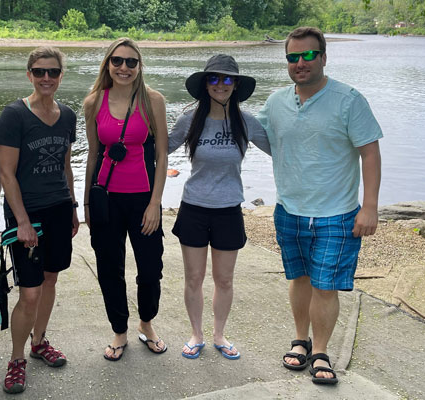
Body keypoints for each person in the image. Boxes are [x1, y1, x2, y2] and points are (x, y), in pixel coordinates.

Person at [257, 27, 382, 385]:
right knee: (299, 279)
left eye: (309, 55)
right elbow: (262, 137)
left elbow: (369, 151)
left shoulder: (349, 99)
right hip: (290, 209)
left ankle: (321, 350)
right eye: (293, 57)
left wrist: (369, 206)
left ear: (324, 57)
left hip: (338, 212)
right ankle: (300, 339)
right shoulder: (277, 101)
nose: (300, 63)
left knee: (325, 285)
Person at [168, 54, 271, 360]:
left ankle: (219, 335)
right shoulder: (189, 120)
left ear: (236, 85)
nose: (221, 84)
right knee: (194, 278)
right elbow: (160, 147)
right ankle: (196, 334)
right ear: (205, 84)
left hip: (228, 209)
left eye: (227, 79)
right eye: (214, 78)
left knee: (224, 279)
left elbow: (282, 149)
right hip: (194, 207)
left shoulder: (245, 121)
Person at [0, 46, 79, 394]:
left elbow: (64, 164)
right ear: (29, 74)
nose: (47, 78)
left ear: (61, 76)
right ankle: (16, 360)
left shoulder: (68, 115)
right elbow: (7, 174)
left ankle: (39, 341)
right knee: (28, 293)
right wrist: (23, 222)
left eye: (53, 72)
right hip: (26, 214)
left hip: (59, 209)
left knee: (50, 281)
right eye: (40, 72)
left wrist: (73, 206)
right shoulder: (14, 115)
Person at [82, 37, 169, 361]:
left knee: (150, 269)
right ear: (108, 64)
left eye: (131, 62)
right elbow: (93, 154)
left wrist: (155, 203)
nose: (124, 67)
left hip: (143, 198)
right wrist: (87, 202)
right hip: (106, 200)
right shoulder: (94, 102)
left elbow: (161, 155)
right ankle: (120, 329)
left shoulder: (153, 101)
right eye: (117, 61)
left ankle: (146, 324)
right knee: (109, 268)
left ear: (139, 66)